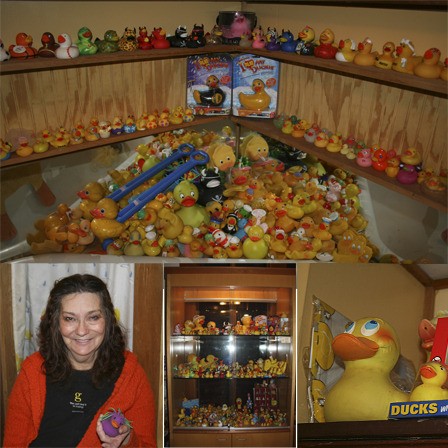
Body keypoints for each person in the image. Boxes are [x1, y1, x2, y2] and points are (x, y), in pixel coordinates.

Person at [4, 273, 156, 448]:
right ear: (55, 323)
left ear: (107, 320)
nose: (82, 330)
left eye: (93, 317)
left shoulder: (131, 375)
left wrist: (128, 441)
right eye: (70, 318)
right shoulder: (32, 371)